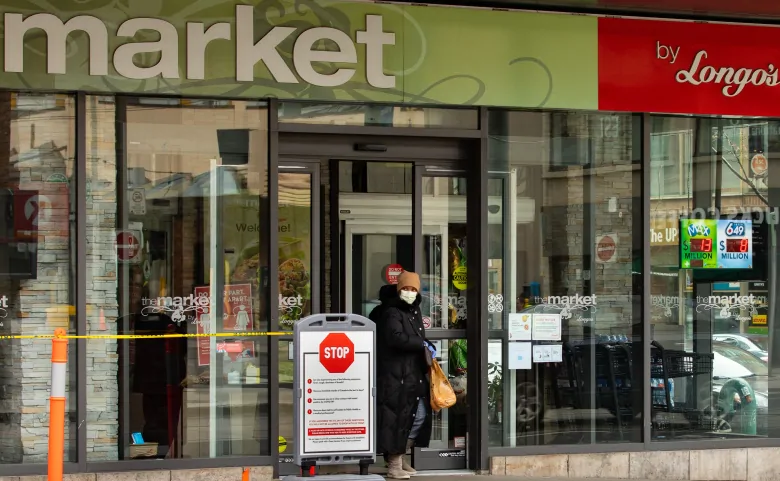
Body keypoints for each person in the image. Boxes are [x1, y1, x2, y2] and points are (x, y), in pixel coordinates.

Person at [376, 271, 435, 479]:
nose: (409, 292)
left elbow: (417, 336)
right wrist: (422, 344)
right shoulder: (392, 311)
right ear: (398, 289)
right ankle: (393, 464)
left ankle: (398, 457)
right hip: (395, 375)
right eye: (406, 288)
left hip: (412, 373)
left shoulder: (413, 310)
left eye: (413, 289)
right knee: (398, 418)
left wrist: (426, 345)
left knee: (417, 416)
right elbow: (396, 338)